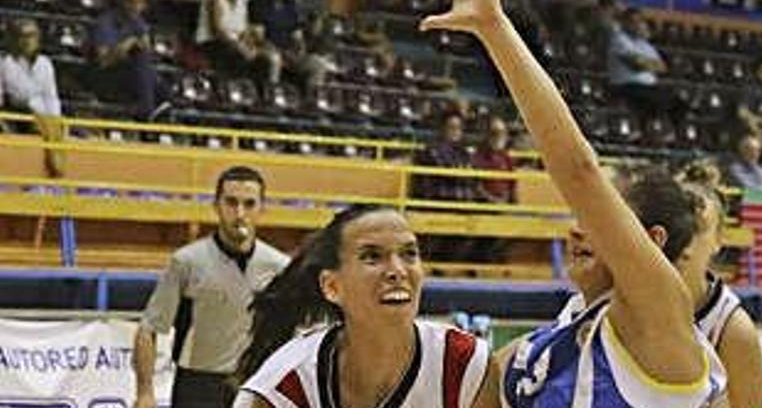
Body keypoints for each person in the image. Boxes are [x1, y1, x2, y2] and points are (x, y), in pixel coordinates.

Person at [421, 0, 727, 407]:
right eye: (582, 217)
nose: (578, 228)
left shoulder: (663, 313)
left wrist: (495, 27)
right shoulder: (564, 329)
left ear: (651, 241)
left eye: (599, 217)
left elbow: (580, 171)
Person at [231, 205, 499, 408]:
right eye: (372, 257)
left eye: (409, 254)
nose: (397, 270)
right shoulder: (281, 390)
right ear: (332, 286)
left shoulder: (466, 365)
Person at [558, 163, 762, 408]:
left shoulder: (732, 328)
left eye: (698, 229)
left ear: (718, 241)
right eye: (683, 227)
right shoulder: (605, 296)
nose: (688, 238)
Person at [133, 166, 291, 408]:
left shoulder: (279, 266)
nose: (240, 213)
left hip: (255, 383)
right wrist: (145, 392)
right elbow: (148, 329)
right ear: (216, 205)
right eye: (231, 202)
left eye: (249, 204)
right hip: (197, 385)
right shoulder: (187, 261)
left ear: (262, 208)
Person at [91, 0, 170, 121]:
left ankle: (155, 106)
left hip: (135, 77)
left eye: (140, 2)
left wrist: (144, 46)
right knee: (141, 60)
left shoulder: (139, 23)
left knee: (146, 63)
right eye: (132, 1)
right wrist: (127, 44)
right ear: (122, 1)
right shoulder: (106, 22)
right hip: (109, 76)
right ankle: (148, 108)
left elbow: (148, 57)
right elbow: (103, 61)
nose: (137, 7)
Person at [196, 0, 283, 88]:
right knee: (239, 54)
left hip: (236, 40)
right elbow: (217, 29)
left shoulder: (242, 0)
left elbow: (245, 27)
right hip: (213, 41)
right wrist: (237, 45)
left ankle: (261, 93)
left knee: (266, 58)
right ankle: (231, 88)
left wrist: (250, 43)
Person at [0, 18, 65, 176]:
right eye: (23, 35)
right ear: (14, 39)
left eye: (32, 35)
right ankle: (54, 166)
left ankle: (54, 168)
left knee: (59, 126)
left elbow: (52, 98)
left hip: (41, 115)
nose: (28, 40)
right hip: (14, 112)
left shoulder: (45, 64)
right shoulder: (3, 63)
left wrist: (56, 122)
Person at [607, 7, 669, 118]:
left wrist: (644, 63)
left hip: (649, 87)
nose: (636, 25)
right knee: (655, 103)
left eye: (639, 22)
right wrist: (649, 64)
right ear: (624, 23)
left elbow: (662, 67)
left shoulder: (645, 44)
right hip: (627, 86)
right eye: (632, 22)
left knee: (678, 103)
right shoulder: (619, 39)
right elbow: (635, 64)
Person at [472, 116, 516, 204]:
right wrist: (494, 200)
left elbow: (513, 186)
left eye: (502, 132)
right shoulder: (478, 157)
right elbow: (476, 187)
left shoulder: (509, 158)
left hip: (506, 207)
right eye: (494, 133)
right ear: (487, 135)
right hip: (484, 207)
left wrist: (506, 200)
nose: (498, 136)